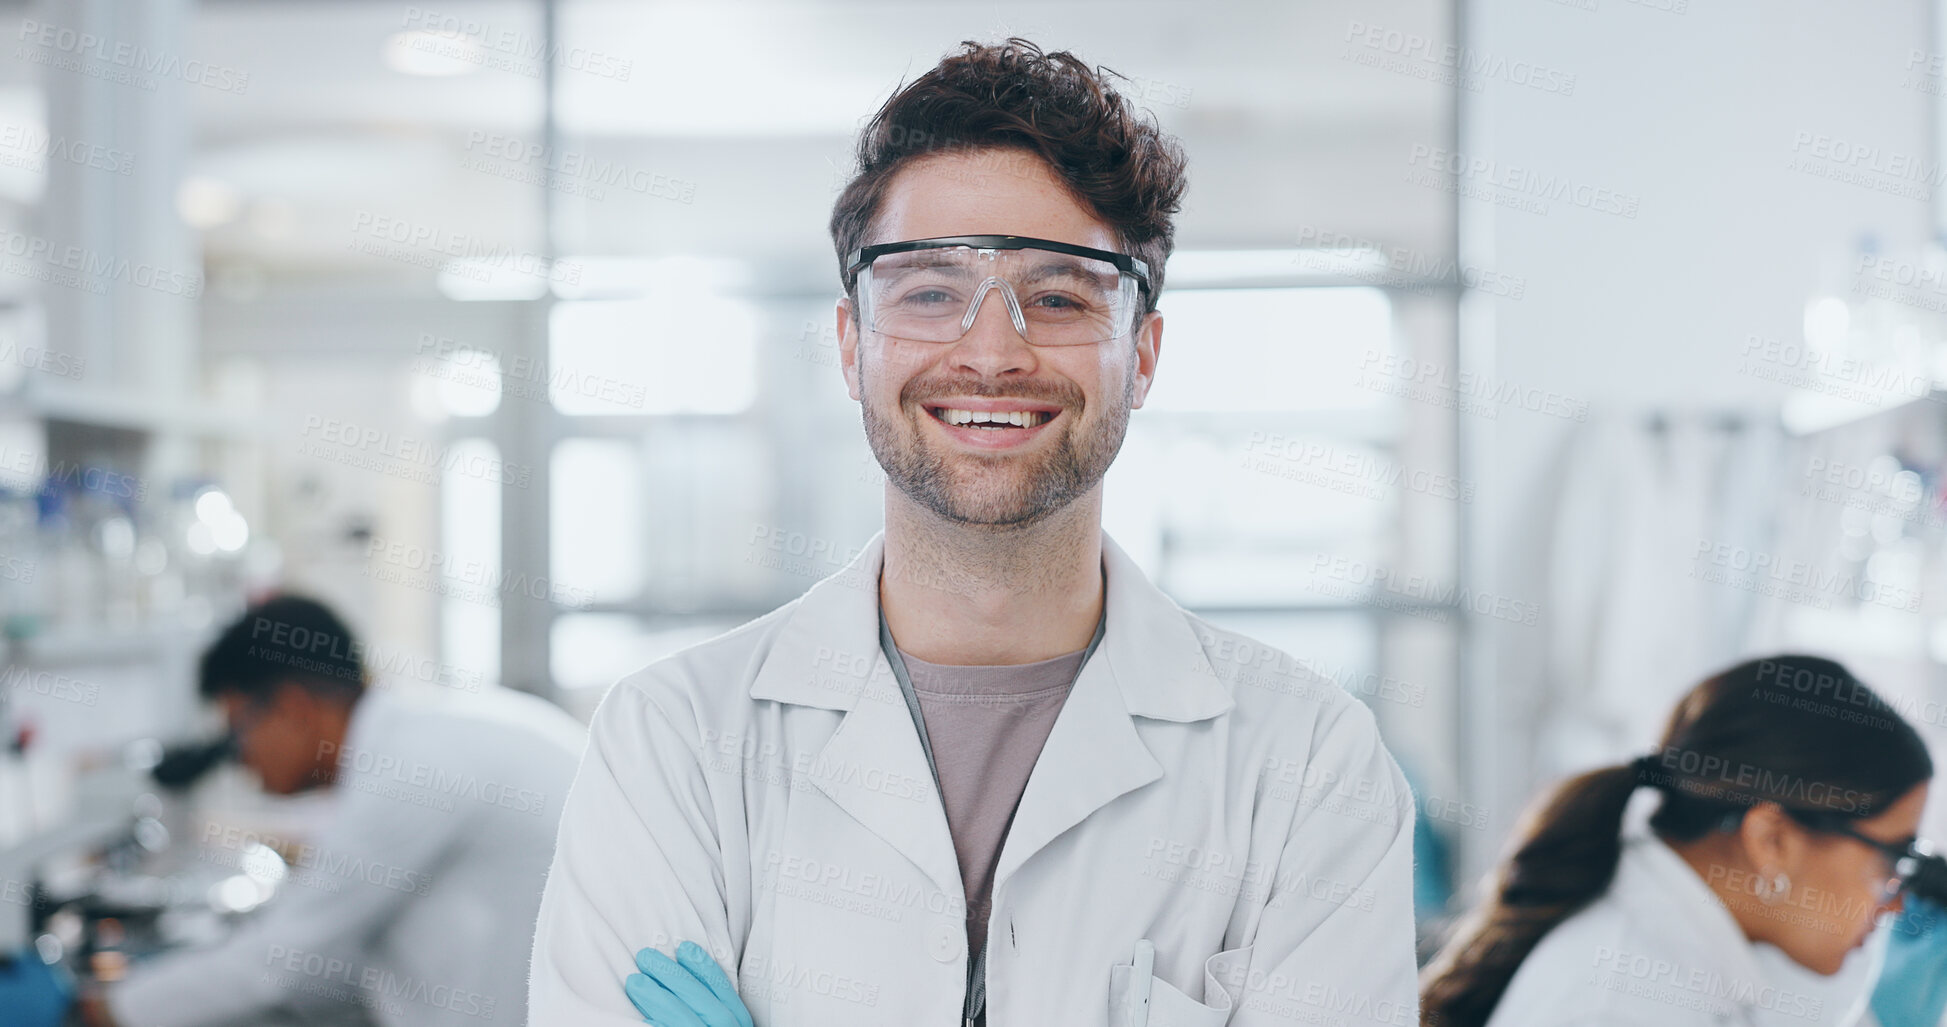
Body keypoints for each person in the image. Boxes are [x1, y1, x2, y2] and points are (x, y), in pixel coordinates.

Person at [528, 36, 1421, 1027]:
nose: (992, 352)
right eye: (929, 292)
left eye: (1058, 295)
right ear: (850, 342)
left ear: (1145, 352)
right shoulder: (676, 741)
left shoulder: (1305, 766)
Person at [77, 594, 586, 1027]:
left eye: (238, 731)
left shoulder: (410, 771)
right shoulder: (420, 735)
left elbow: (276, 965)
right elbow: (326, 954)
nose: (241, 760)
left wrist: (100, 1008)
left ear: (295, 708)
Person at [1419, 655, 1934, 1027]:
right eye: (1892, 856)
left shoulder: (1677, 950)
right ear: (1771, 839)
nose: (1896, 902)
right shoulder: (1618, 1005)